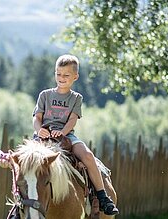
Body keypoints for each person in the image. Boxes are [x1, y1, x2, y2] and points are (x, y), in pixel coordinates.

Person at [32, 54, 119, 215]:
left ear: (75, 77)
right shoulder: (45, 95)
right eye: (58, 74)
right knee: (25, 161)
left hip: (66, 136)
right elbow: (37, 119)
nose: (61, 78)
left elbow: (72, 120)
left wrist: (63, 132)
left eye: (66, 75)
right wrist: (39, 130)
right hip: (43, 136)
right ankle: (19, 203)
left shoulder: (76, 98)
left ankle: (102, 196)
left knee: (87, 156)